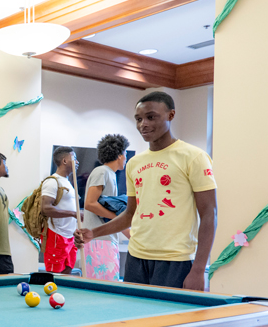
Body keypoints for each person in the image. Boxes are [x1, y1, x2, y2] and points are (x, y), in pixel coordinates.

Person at [74, 91, 217, 290]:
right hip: (136, 258)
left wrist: (199, 269)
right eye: (139, 119)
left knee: (169, 320)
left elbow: (209, 214)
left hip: (175, 260)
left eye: (151, 117)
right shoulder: (134, 163)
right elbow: (131, 214)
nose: (143, 124)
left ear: (171, 115)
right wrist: (93, 233)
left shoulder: (193, 157)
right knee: (135, 319)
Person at [81, 134, 130, 280]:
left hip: (106, 240)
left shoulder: (110, 174)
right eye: (126, 154)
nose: (126, 158)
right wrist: (118, 218)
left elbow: (108, 213)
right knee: (104, 288)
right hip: (99, 242)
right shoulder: (102, 171)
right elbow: (90, 203)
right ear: (119, 155)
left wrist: (128, 232)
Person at [41, 146, 83, 274]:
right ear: (64, 161)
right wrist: (73, 214)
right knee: (54, 277)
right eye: (74, 158)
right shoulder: (52, 182)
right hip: (56, 236)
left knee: (66, 276)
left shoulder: (67, 182)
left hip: (70, 236)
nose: (77, 162)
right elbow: (45, 209)